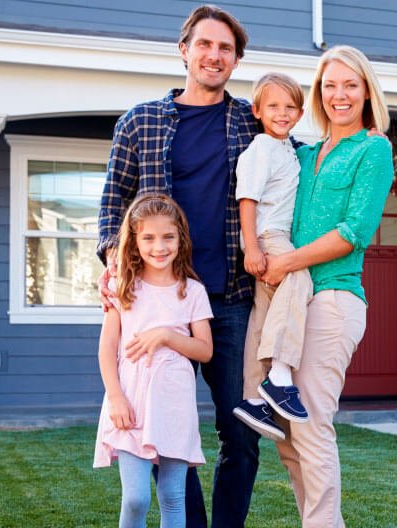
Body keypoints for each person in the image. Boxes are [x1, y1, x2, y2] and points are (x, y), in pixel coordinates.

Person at [96, 5, 268, 527]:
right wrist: (113, 267)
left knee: (240, 428)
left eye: (225, 48)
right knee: (166, 427)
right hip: (160, 300)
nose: (214, 55)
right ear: (184, 50)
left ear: (236, 60)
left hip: (231, 297)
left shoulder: (251, 124)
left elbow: (293, 169)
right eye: (205, 45)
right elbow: (110, 209)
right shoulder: (140, 121)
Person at [258, 45, 394, 528]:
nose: (339, 95)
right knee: (288, 435)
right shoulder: (305, 153)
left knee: (311, 425)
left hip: (333, 299)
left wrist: (286, 262)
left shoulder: (373, 149)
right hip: (292, 302)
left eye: (350, 85)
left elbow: (354, 231)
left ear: (365, 93)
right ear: (318, 93)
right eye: (330, 85)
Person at [93, 194, 213, 528]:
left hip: (174, 405)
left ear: (180, 239)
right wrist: (115, 397)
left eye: (167, 237)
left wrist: (165, 335)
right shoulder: (123, 288)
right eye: (148, 238)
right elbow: (106, 350)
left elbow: (204, 350)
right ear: (134, 241)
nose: (159, 246)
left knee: (173, 498)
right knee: (136, 498)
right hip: (130, 403)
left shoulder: (192, 291)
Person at [232, 72, 313, 439]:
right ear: (258, 110)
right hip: (268, 235)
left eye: (290, 107)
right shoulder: (262, 147)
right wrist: (252, 246)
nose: (282, 113)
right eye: (273, 106)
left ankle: (252, 397)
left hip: (270, 237)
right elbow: (247, 198)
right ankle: (280, 374)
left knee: (263, 313)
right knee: (299, 278)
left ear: (299, 112)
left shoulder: (288, 149)